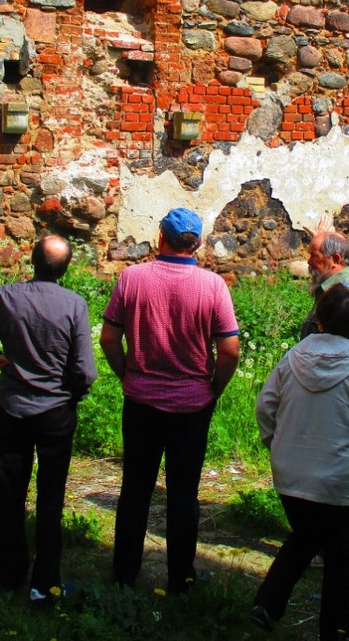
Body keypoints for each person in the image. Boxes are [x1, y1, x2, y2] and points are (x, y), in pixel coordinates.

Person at [0, 235, 97, 603]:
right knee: (51, 496)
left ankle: (10, 574)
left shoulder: (5, 297)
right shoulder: (74, 305)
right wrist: (71, 394)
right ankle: (45, 582)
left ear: (33, 261)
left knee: (10, 492)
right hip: (56, 412)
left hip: (13, 407)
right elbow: (85, 370)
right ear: (66, 268)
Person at [252, 284, 349, 641]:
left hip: (291, 473)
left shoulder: (293, 358)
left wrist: (274, 444)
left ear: (318, 319)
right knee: (340, 557)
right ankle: (338, 631)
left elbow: (265, 407)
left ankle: (268, 603)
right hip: (338, 478)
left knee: (306, 535)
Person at [99, 207, 240, 593]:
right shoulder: (213, 286)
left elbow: (109, 338)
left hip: (141, 401)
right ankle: (181, 575)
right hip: (192, 406)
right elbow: (229, 351)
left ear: (160, 236)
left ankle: (125, 572)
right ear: (197, 242)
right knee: (183, 493)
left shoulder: (132, 278)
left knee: (135, 488)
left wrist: (126, 373)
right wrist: (214, 387)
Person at [300, 228, 349, 353]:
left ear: (336, 259)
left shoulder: (346, 295)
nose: (309, 261)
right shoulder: (348, 281)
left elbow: (345, 356)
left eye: (314, 255)